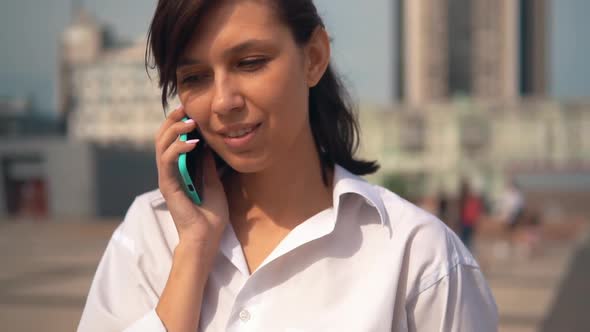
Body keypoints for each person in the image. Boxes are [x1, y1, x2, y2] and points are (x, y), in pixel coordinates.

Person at [78, 1, 497, 331]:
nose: (223, 101)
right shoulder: (150, 232)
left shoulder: (417, 256)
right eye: (196, 78)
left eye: (249, 62)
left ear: (314, 57)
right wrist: (193, 250)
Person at [458, 180, 483, 251]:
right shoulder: (465, 200)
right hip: (465, 222)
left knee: (467, 239)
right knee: (465, 239)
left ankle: (466, 251)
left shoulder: (471, 201)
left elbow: (476, 213)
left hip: (468, 222)